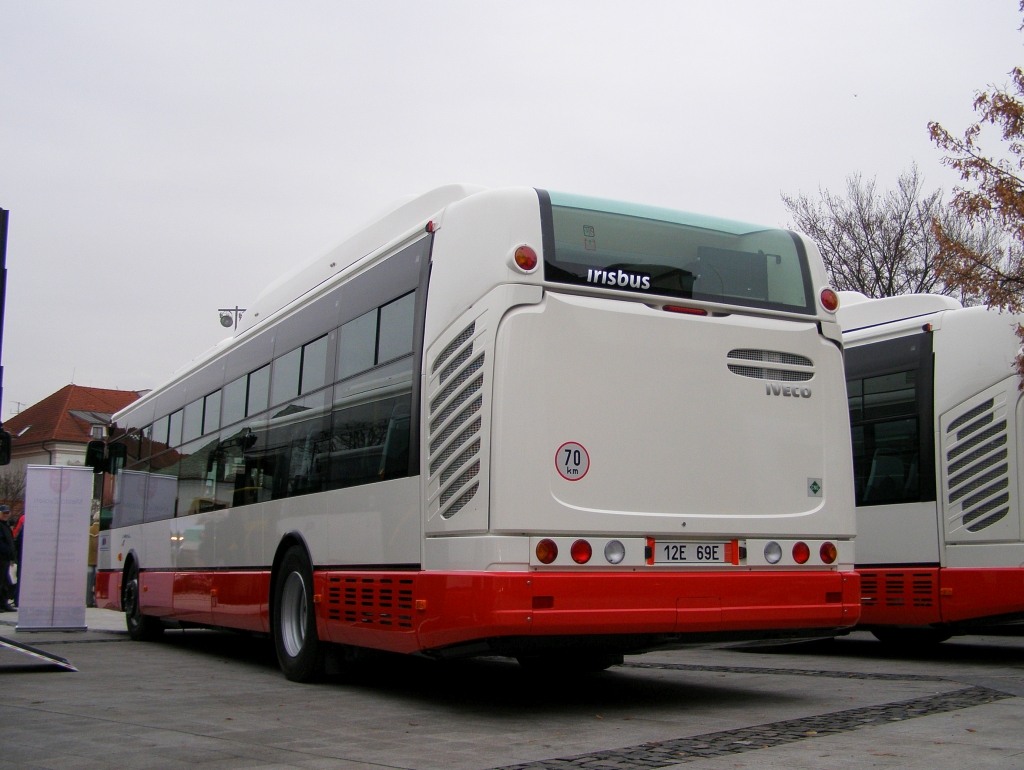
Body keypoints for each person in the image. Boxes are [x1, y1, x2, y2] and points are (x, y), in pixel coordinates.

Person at [0, 505, 15, 612]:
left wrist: (12, 556)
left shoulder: (6, 525)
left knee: (5, 582)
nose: (6, 515)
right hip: (1, 557)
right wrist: (7, 552)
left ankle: (3, 603)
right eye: (4, 513)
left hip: (6, 559)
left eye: (7, 513)